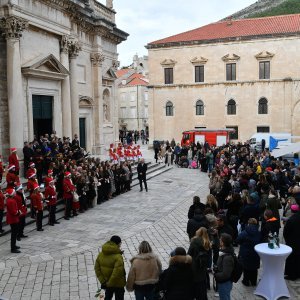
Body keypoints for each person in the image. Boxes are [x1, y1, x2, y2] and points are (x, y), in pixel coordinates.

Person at [94, 235, 126, 300]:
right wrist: (109, 284)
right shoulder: (118, 257)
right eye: (120, 243)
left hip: (105, 283)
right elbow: (117, 273)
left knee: (105, 298)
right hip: (118, 284)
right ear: (118, 243)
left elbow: (97, 268)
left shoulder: (101, 254)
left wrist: (103, 281)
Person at [236, 218, 261, 286]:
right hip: (256, 253)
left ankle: (246, 281)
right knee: (254, 267)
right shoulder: (259, 233)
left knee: (246, 267)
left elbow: (238, 240)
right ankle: (253, 281)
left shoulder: (244, 232)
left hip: (245, 253)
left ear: (248, 223)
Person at [188, 227, 210, 300]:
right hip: (203, 265)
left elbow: (189, 253)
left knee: (194, 281)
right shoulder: (207, 243)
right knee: (201, 281)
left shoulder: (194, 241)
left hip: (194, 264)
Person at [213, 233, 234, 300]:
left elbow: (226, 274)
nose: (219, 240)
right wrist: (215, 236)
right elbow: (216, 245)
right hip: (223, 281)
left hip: (224, 283)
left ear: (223, 242)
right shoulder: (225, 250)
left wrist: (216, 275)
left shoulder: (227, 257)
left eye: (220, 239)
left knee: (224, 298)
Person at [284, 197, 300, 280]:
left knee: (292, 259)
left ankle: (291, 275)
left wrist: (287, 240)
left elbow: (285, 232)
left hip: (292, 242)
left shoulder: (291, 220)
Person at [6, 188, 21, 253]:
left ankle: (14, 245)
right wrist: (18, 213)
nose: (15, 193)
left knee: (15, 232)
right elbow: (13, 211)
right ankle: (13, 248)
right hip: (13, 218)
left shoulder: (11, 199)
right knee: (14, 233)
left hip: (13, 217)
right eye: (14, 192)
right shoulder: (11, 201)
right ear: (12, 194)